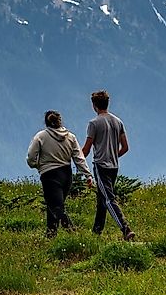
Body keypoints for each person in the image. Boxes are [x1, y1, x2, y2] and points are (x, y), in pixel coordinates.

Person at [26, 110, 93, 238]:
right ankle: (51, 235)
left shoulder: (41, 136)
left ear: (46, 122)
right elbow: (79, 157)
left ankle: (75, 236)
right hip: (67, 175)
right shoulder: (70, 137)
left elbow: (30, 157)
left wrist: (37, 165)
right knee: (55, 205)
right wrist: (88, 175)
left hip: (49, 175)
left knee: (56, 207)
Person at [81, 89, 136, 241]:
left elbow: (86, 148)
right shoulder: (118, 122)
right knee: (102, 199)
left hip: (101, 166)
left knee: (108, 199)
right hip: (114, 166)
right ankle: (96, 234)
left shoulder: (94, 123)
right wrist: (113, 154)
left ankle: (126, 229)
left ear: (94, 105)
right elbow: (125, 147)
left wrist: (76, 158)